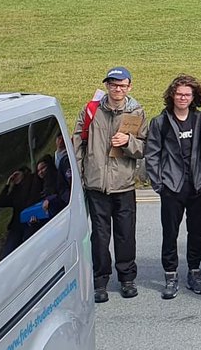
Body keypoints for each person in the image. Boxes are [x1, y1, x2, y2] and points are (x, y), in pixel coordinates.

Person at [73, 66, 147, 302]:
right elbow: (78, 144)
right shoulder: (91, 110)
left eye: (122, 85)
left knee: (126, 234)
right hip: (96, 184)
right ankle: (100, 281)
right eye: (113, 84)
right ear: (106, 85)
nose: (117, 89)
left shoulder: (136, 112)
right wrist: (80, 176)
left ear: (129, 87)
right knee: (100, 236)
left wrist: (128, 142)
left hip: (123, 184)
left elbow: (145, 147)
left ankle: (127, 279)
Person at [146, 74, 201, 299]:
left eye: (187, 94)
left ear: (194, 97)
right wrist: (159, 184)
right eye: (179, 94)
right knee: (170, 233)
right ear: (172, 96)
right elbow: (152, 154)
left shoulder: (200, 119)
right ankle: (170, 275)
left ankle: (195, 272)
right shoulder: (160, 122)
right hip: (172, 187)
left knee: (196, 233)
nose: (183, 98)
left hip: (198, 186)